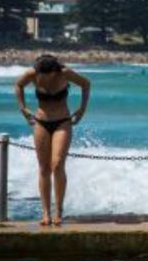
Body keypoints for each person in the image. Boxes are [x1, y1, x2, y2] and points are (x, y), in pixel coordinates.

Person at [14, 54, 91, 226]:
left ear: (54, 71)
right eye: (39, 73)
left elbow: (86, 84)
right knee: (44, 168)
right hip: (41, 122)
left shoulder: (65, 73)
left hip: (62, 122)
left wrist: (81, 110)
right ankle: (46, 213)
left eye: (45, 74)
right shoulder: (33, 74)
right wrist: (23, 108)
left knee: (57, 165)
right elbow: (18, 85)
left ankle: (59, 211)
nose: (41, 77)